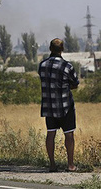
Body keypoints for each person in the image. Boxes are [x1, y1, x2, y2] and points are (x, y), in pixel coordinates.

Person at [38, 38, 79, 172]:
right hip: (65, 106)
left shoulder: (42, 65)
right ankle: (70, 164)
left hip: (49, 107)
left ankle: (52, 165)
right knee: (69, 135)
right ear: (62, 49)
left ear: (50, 49)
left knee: (50, 134)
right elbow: (75, 83)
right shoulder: (67, 66)